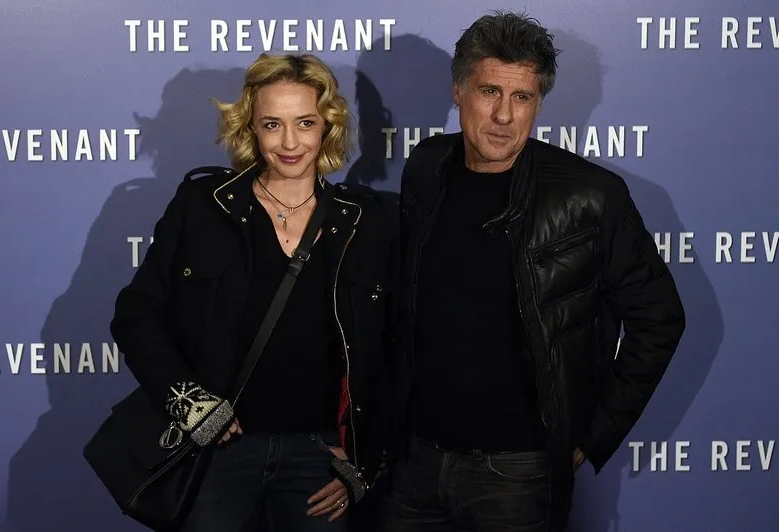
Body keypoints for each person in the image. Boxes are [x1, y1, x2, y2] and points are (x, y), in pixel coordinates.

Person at [381, 10, 686, 532]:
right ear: (459, 90)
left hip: (518, 474)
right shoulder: (426, 167)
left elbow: (660, 318)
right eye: (489, 92)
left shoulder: (591, 197)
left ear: (538, 103)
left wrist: (589, 436)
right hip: (415, 463)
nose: (503, 116)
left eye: (521, 98)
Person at [109, 52, 395, 531]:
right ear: (250, 128)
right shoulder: (203, 205)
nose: (289, 142)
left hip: (318, 458)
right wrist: (190, 404)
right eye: (271, 124)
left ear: (327, 125)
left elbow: (395, 345)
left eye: (304, 123)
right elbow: (136, 314)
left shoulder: (368, 220)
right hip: (216, 452)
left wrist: (365, 459)